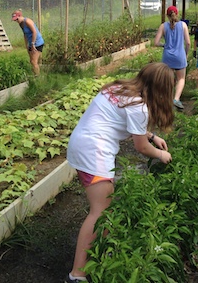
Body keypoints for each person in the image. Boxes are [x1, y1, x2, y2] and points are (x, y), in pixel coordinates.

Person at [65, 62, 175, 282]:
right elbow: (141, 148)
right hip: (94, 152)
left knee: (105, 209)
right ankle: (77, 274)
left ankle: (99, 254)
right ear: (162, 90)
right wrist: (161, 155)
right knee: (101, 212)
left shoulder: (120, 89)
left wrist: (152, 136)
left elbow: (126, 120)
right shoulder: (139, 106)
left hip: (83, 144)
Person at [154, 5, 191, 110]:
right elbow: (188, 43)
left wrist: (164, 45)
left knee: (167, 79)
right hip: (180, 56)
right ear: (177, 14)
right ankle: (176, 99)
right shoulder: (183, 25)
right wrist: (186, 54)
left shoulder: (163, 26)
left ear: (167, 15)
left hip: (167, 57)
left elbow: (156, 42)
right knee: (181, 78)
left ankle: (166, 99)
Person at [12, 9, 44, 76]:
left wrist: (33, 44)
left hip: (37, 42)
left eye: (17, 19)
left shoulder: (27, 21)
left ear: (20, 16)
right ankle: (34, 74)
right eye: (15, 20)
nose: (16, 21)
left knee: (34, 61)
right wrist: (26, 45)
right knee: (31, 61)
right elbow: (25, 34)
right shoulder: (21, 24)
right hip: (31, 43)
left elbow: (34, 32)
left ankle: (37, 76)